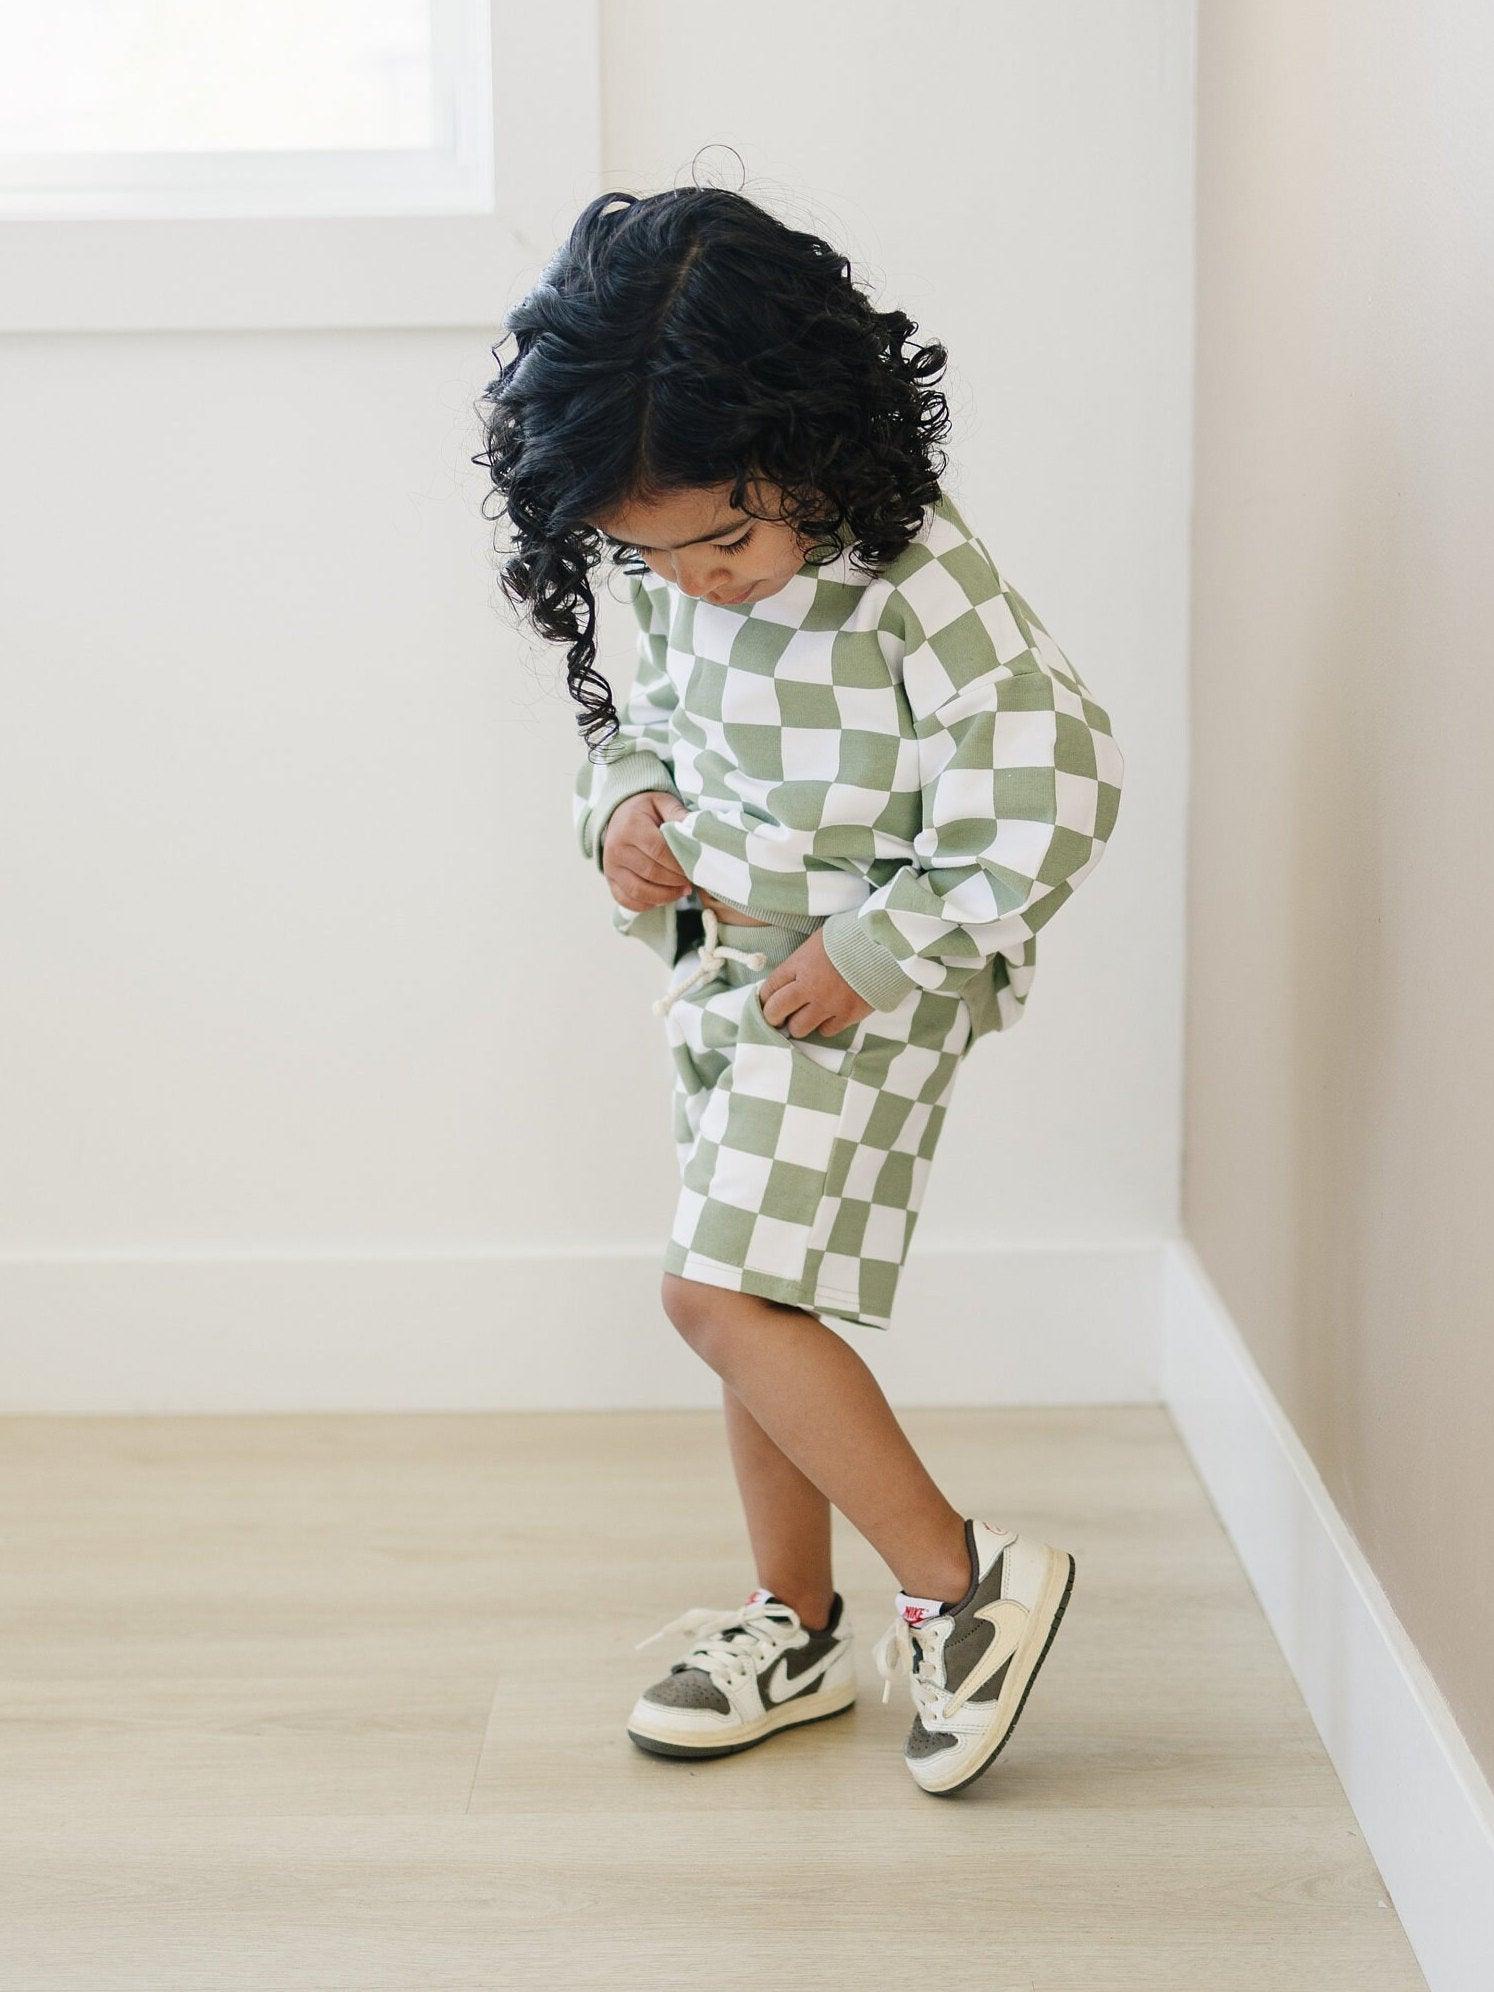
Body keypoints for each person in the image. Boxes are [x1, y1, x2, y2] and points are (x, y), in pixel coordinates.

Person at [475, 185, 1123, 1797]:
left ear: (814, 440)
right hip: (727, 969)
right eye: (648, 552)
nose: (694, 578)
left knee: (717, 1294)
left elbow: (1055, 784)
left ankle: (964, 1588)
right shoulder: (672, 560)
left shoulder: (914, 580)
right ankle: (797, 1622)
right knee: (755, 1300)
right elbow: (643, 726)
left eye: (726, 541)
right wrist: (624, 810)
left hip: (861, 981)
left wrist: (872, 954)